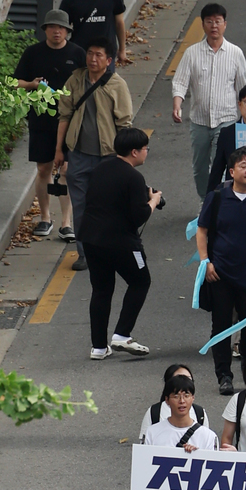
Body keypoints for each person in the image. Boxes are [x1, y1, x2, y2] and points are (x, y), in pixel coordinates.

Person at [196, 146, 246, 395]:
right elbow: (202, 231)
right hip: (220, 274)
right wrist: (205, 262)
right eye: (243, 166)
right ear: (231, 172)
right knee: (220, 326)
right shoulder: (218, 197)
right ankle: (224, 376)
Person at [52, 38, 133, 272]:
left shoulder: (117, 85)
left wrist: (124, 157)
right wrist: (60, 150)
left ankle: (110, 250)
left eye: (98, 55)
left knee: (108, 206)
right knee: (81, 205)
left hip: (108, 156)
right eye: (90, 54)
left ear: (108, 61)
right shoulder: (75, 80)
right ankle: (84, 253)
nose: (93, 59)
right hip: (78, 155)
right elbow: (64, 115)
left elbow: (124, 124)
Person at [78, 125, 159, 362]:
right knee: (140, 281)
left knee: (101, 289)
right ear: (134, 152)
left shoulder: (101, 169)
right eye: (145, 149)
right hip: (121, 242)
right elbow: (139, 215)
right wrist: (153, 201)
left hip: (92, 238)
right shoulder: (134, 177)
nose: (146, 152)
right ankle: (122, 334)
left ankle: (98, 347)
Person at [13, 9, 85, 239]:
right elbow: (15, 82)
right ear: (45, 29)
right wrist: (32, 85)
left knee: (66, 170)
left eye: (62, 28)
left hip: (71, 119)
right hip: (41, 118)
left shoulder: (77, 53)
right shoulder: (33, 53)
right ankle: (45, 218)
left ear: (68, 31)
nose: (57, 31)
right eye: (53, 27)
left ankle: (66, 223)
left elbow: (89, 84)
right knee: (43, 168)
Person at [172, 0, 246, 200]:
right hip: (199, 121)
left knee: (220, 165)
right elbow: (180, 82)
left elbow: (242, 88)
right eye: (209, 21)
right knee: (199, 167)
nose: (214, 26)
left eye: (218, 21)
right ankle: (204, 199)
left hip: (227, 119)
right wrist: (177, 105)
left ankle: (218, 202)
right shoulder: (191, 53)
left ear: (225, 24)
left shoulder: (235, 53)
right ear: (203, 24)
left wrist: (245, 117)